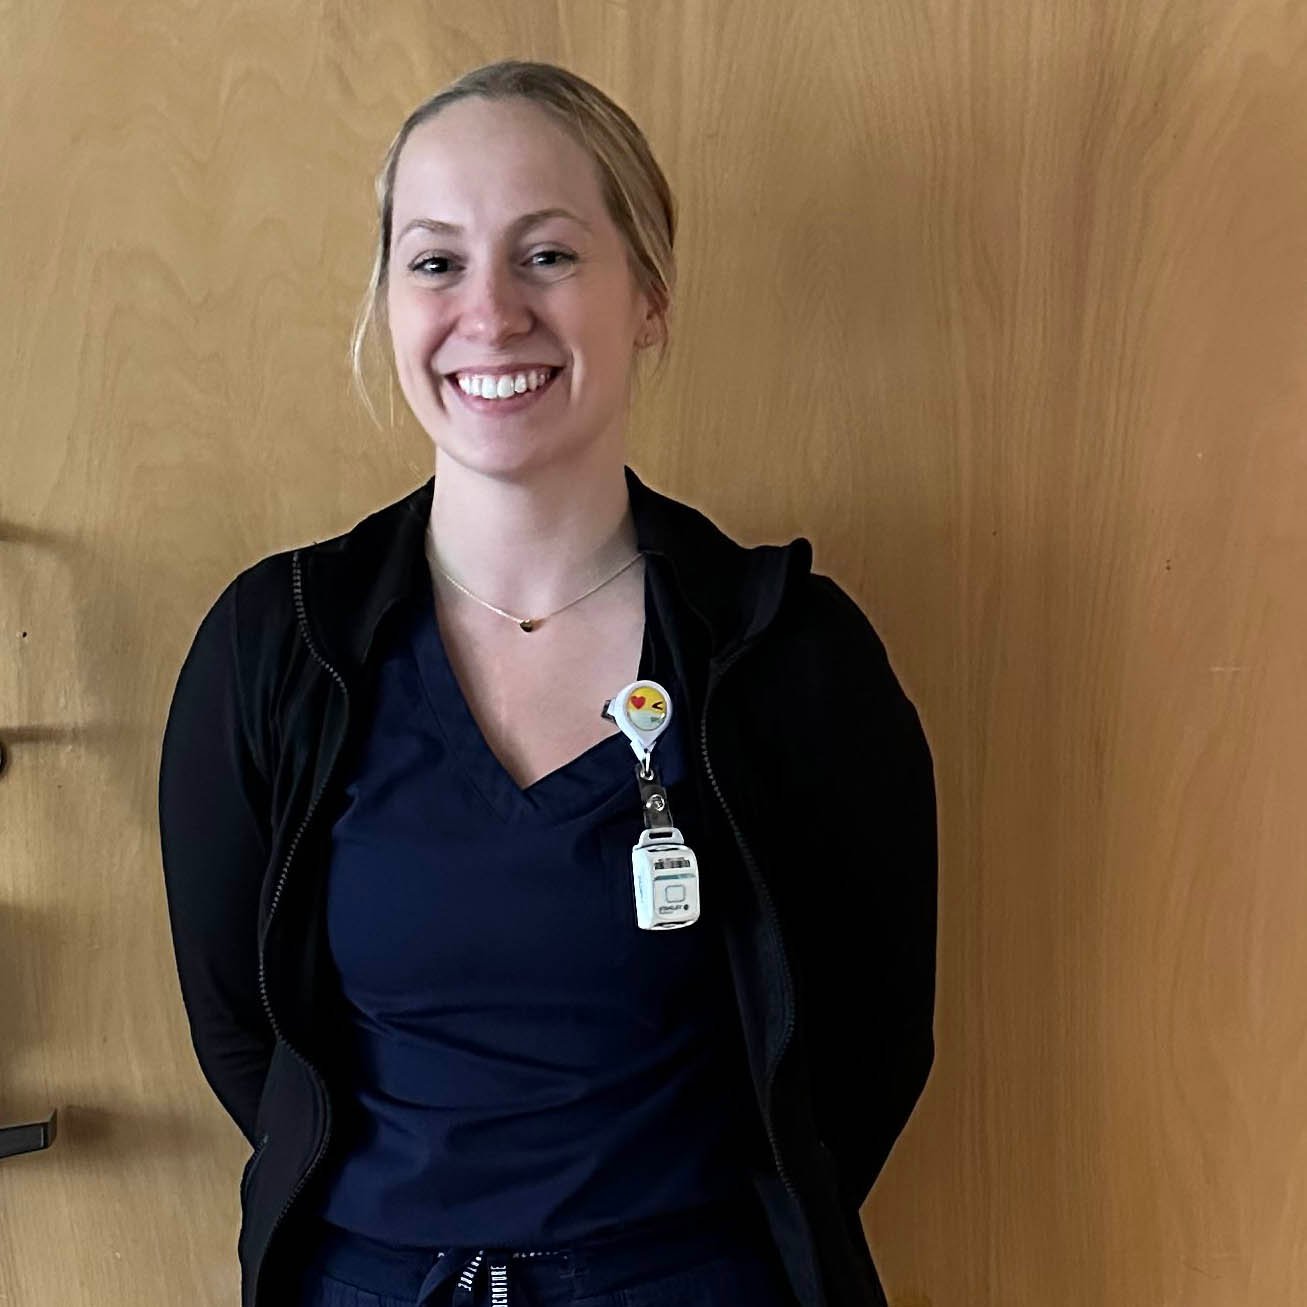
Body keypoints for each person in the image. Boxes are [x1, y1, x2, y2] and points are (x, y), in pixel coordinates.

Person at [157, 59, 937, 1307]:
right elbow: (240, 1028)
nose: (489, 313)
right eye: (434, 261)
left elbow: (869, 1041)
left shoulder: (789, 652)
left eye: (548, 255)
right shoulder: (273, 645)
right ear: (387, 301)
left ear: (648, 297)